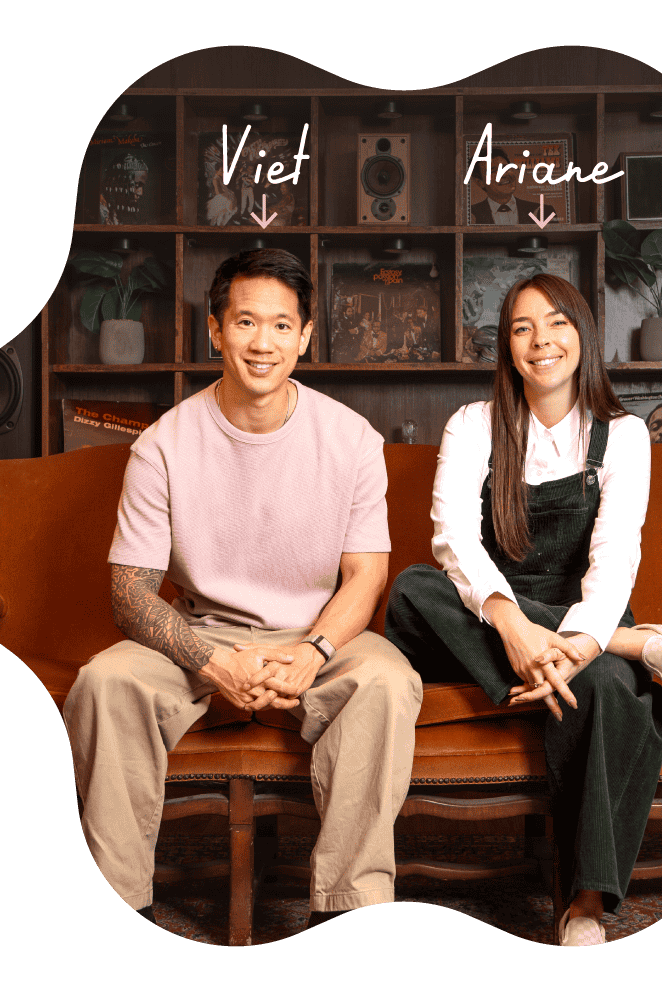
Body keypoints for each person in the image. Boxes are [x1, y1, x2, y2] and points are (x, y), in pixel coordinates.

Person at [63, 249, 423, 931]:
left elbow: (367, 575)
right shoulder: (163, 446)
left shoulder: (351, 440)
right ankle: (118, 908)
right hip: (199, 634)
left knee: (385, 680)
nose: (264, 343)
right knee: (104, 683)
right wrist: (208, 659)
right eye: (247, 322)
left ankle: (346, 915)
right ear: (216, 330)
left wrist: (316, 649)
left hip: (318, 631)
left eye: (282, 326)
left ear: (306, 336)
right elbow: (131, 596)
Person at [384, 273, 662, 947]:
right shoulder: (473, 425)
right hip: (483, 614)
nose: (541, 341)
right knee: (412, 589)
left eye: (557, 323)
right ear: (507, 348)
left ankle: (586, 903)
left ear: (583, 335)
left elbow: (615, 554)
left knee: (602, 686)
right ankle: (639, 645)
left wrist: (585, 641)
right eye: (521, 328)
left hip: (582, 616)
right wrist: (512, 625)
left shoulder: (623, 435)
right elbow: (453, 540)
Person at [469, 147, 557, 225]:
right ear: (480, 182)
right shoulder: (469, 216)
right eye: (493, 171)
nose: (504, 174)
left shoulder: (542, 212)